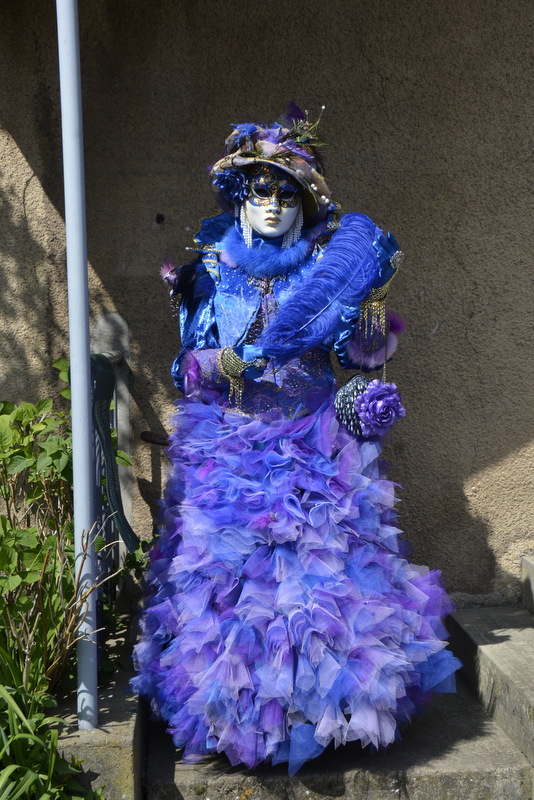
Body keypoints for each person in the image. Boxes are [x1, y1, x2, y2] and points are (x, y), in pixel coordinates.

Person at [132, 108, 461, 775]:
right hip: (233, 449)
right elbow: (184, 368)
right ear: (239, 195)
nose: (275, 202)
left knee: (320, 592)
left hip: (315, 448)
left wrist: (370, 321)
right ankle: (241, 721)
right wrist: (225, 362)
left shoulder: (322, 271)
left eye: (290, 192)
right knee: (234, 592)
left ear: (306, 205)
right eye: (262, 188)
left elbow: (355, 355)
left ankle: (320, 720)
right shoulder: (207, 273)